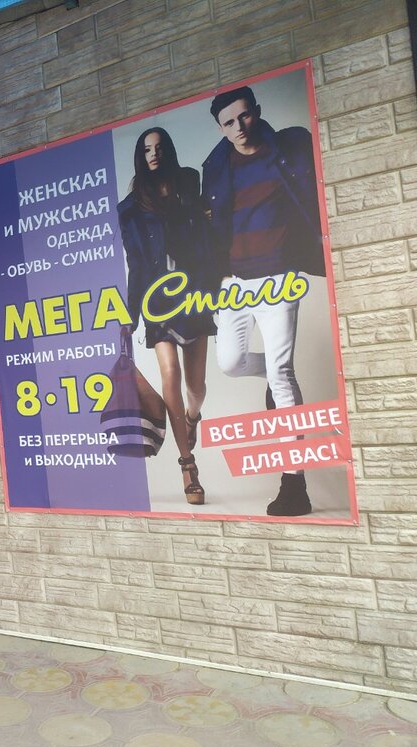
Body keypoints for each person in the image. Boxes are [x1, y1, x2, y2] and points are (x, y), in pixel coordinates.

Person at [202, 86, 325, 516]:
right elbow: (211, 227)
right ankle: (275, 375)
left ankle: (295, 484)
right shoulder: (215, 166)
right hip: (235, 281)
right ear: (221, 127)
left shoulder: (289, 146)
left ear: (256, 111)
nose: (239, 127)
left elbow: (313, 198)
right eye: (228, 122)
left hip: (279, 275)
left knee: (282, 372)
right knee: (231, 362)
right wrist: (217, 277)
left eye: (244, 116)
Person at [119, 127, 217, 505]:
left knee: (197, 386)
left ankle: (192, 416)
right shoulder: (131, 207)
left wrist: (212, 283)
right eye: (147, 149)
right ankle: (188, 465)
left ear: (168, 150)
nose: (153, 154)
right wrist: (130, 313)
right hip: (157, 300)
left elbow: (205, 236)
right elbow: (136, 264)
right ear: (141, 157)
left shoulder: (188, 183)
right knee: (170, 374)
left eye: (158, 148)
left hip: (192, 294)